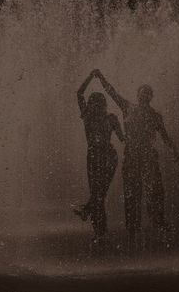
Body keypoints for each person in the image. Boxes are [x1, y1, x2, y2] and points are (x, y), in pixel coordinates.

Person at [93, 69, 179, 245]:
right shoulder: (128, 107)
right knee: (132, 193)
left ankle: (158, 222)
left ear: (151, 97)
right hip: (131, 157)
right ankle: (133, 229)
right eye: (142, 92)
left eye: (148, 93)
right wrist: (101, 77)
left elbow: (164, 136)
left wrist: (174, 150)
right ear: (138, 94)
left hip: (148, 157)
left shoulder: (155, 116)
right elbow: (112, 92)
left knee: (155, 190)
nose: (145, 95)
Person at [74, 71, 124, 243]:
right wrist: (90, 76)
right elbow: (79, 93)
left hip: (109, 157)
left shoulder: (111, 118)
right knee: (98, 194)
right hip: (94, 156)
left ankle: (91, 218)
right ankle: (99, 231)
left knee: (99, 192)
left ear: (103, 105)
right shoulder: (88, 117)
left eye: (97, 104)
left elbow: (123, 138)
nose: (94, 106)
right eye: (92, 104)